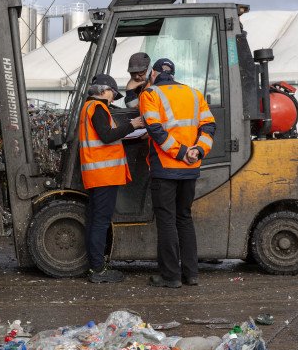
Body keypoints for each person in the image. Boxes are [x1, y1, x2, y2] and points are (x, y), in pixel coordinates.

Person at [139, 58, 216, 288]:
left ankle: (171, 276)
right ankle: (191, 274)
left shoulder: (150, 94)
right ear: (173, 74)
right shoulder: (194, 94)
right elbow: (209, 126)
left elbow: (154, 129)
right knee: (184, 218)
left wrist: (181, 152)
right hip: (190, 169)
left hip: (166, 168)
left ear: (153, 74)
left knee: (167, 221)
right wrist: (198, 150)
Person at [79, 73, 144, 283]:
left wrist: (129, 135)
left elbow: (107, 138)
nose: (112, 98)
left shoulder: (88, 108)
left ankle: (96, 266)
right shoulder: (98, 108)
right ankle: (98, 270)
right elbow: (107, 136)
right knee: (100, 222)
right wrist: (132, 125)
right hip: (104, 175)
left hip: (97, 174)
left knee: (95, 220)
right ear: (105, 91)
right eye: (112, 94)